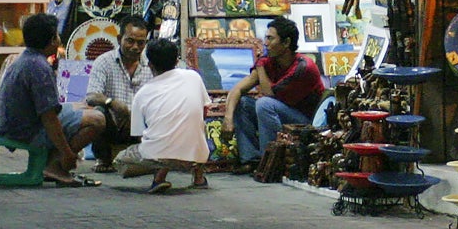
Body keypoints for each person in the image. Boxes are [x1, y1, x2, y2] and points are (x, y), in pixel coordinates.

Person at [0, 11, 108, 186]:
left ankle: (52, 163)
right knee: (98, 120)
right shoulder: (39, 68)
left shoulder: (25, 59)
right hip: (25, 131)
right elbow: (49, 118)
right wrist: (67, 153)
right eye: (57, 36)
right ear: (53, 40)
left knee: (84, 108)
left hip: (13, 125)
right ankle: (55, 166)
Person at [220, 17, 324, 174]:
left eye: (270, 38)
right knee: (242, 102)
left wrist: (260, 66)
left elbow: (269, 94)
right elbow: (237, 90)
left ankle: (269, 162)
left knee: (264, 104)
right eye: (266, 38)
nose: (266, 43)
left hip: (305, 121)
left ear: (286, 42)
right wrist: (228, 119)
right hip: (280, 112)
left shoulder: (303, 66)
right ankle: (251, 159)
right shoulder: (270, 61)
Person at [129, 38, 213, 193]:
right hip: (196, 152)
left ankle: (159, 178)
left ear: (150, 65)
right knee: (197, 128)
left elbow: (138, 134)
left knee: (122, 161)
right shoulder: (193, 77)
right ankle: (199, 177)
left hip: (158, 154)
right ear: (176, 61)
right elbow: (204, 112)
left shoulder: (141, 94)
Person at [83, 14, 152, 172]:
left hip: (142, 126)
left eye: (141, 43)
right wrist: (112, 103)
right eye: (130, 41)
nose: (135, 47)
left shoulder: (151, 64)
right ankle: (103, 159)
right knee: (98, 113)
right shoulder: (104, 61)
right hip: (114, 125)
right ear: (119, 38)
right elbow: (91, 96)